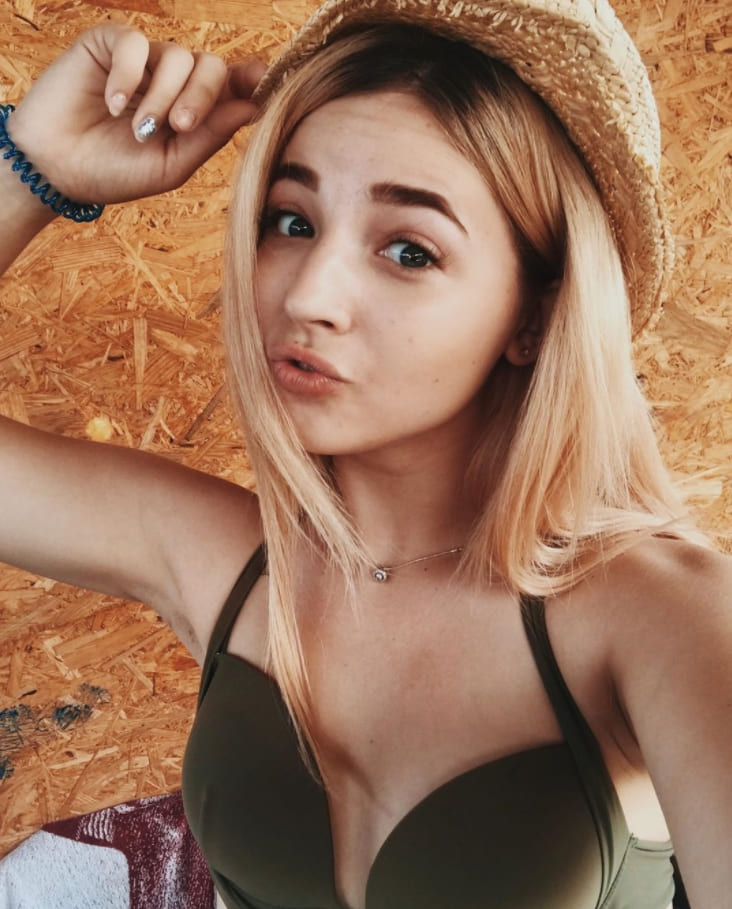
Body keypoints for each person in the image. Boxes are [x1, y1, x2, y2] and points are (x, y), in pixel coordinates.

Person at [0, 1, 729, 908]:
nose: (310, 295)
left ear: (536, 317)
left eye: (409, 251)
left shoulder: (665, 618)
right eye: (292, 221)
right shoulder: (229, 564)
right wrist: (31, 169)